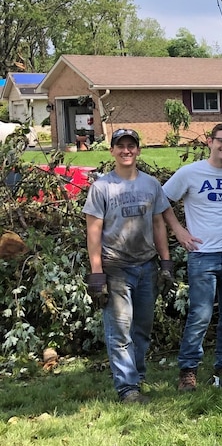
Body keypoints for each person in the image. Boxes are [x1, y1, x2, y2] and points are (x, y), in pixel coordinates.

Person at [163, 122, 222, 391]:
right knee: (200, 315)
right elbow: (162, 201)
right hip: (203, 255)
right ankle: (188, 370)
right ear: (210, 141)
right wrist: (179, 230)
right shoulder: (190, 173)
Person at [83, 128, 172, 403]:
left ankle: (137, 376)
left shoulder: (151, 185)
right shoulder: (102, 187)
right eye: (120, 146)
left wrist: (166, 261)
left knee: (142, 327)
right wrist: (97, 274)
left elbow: (158, 224)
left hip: (146, 265)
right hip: (115, 266)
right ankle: (127, 389)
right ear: (111, 151)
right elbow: (93, 232)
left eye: (130, 146)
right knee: (120, 329)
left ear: (138, 150)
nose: (126, 151)